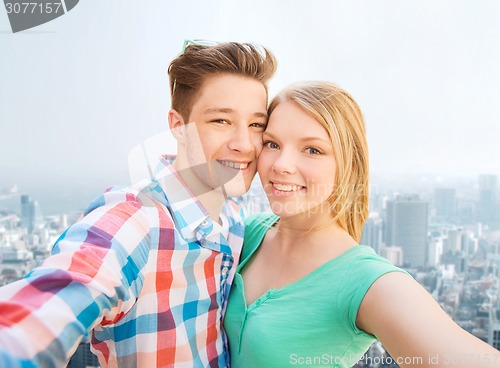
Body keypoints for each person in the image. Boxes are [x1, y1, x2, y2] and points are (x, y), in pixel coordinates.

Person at [0, 40, 276, 367]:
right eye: (221, 121)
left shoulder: (234, 222)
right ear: (179, 126)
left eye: (256, 125)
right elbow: (44, 310)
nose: (244, 144)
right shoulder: (137, 222)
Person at [223, 81, 500, 367]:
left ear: (349, 165)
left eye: (313, 150)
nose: (281, 164)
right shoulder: (245, 233)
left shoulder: (365, 281)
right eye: (272, 144)